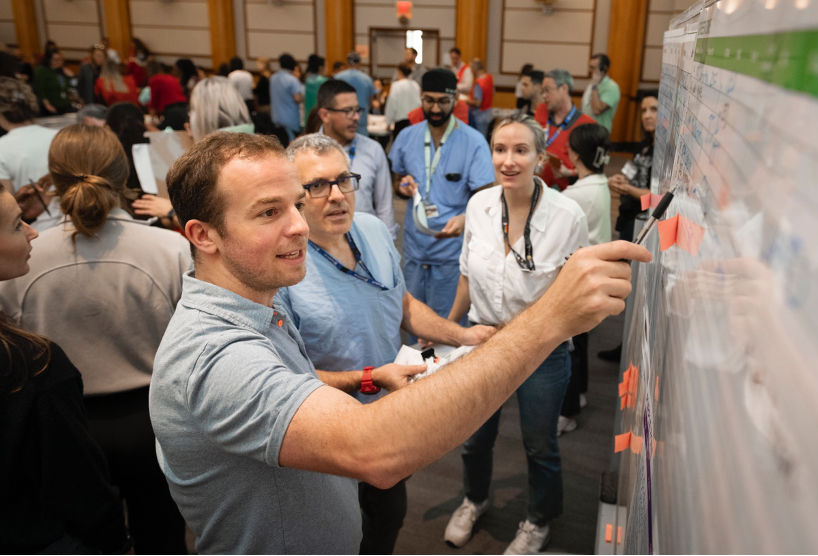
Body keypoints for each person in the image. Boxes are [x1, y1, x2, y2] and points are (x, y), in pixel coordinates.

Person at [149, 128, 650, 554]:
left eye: (297, 204)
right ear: (204, 236)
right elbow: (375, 451)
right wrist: (548, 320)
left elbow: (399, 303)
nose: (302, 223)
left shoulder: (264, 296)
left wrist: (462, 334)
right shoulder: (214, 356)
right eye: (269, 212)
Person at [279, 133, 495, 555]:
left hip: (392, 418)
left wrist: (463, 335)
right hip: (327, 439)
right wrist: (369, 378)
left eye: (344, 180)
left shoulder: (374, 230)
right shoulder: (285, 265)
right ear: (295, 196)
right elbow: (287, 376)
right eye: (318, 185)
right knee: (334, 536)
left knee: (387, 518)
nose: (338, 196)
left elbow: (402, 302)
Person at [0, 124, 191, 554]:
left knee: (93, 539)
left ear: (53, 177)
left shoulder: (22, 256)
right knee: (163, 536)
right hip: (153, 422)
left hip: (63, 428)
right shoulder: (170, 249)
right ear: (124, 175)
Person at [443, 114, 589, 554]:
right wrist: (451, 331)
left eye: (520, 150)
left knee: (539, 444)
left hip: (542, 350)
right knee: (475, 437)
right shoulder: (479, 206)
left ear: (540, 157)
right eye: (500, 150)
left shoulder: (568, 216)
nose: (508, 161)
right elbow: (467, 278)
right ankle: (474, 499)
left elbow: (577, 296)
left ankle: (538, 521)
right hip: (483, 340)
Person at [0, 183, 133, 555]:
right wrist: (117, 543)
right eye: (15, 225)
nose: (32, 231)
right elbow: (76, 487)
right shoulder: (30, 363)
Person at [389, 68, 495, 322]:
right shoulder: (406, 137)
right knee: (414, 321)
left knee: (449, 326)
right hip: (415, 248)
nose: (435, 108)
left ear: (455, 98)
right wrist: (401, 188)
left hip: (452, 254)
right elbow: (397, 181)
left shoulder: (474, 142)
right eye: (429, 100)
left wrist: (465, 218)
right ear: (421, 98)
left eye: (443, 102)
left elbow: (487, 199)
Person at [133, 76, 254, 225]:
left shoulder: (223, 162)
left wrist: (170, 212)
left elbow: (220, 229)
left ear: (200, 116)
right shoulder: (253, 145)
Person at [558, 122, 613, 435]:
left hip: (579, 281)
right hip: (596, 277)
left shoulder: (576, 196)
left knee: (570, 349)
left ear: (574, 154)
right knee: (581, 342)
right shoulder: (599, 182)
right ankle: (578, 395)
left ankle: (566, 413)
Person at [316, 79, 397, 237]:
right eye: (347, 111)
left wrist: (387, 247)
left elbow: (384, 207)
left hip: (366, 241)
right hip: (322, 246)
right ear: (325, 115)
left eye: (357, 110)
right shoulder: (305, 154)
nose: (355, 118)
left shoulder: (373, 150)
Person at [535, 69, 597, 191]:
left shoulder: (586, 124)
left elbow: (594, 170)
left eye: (547, 90)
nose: (543, 96)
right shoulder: (541, 111)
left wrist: (571, 173)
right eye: (542, 91)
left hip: (564, 189)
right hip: (534, 180)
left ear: (564, 89)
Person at [609, 91, 657, 241]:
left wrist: (628, 188)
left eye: (654, 109)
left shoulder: (666, 154)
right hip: (628, 214)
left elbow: (657, 198)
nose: (646, 115)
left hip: (646, 219)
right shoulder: (643, 145)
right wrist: (617, 180)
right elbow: (630, 174)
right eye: (643, 110)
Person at [335, 52, 376, 136]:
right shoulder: (367, 79)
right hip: (361, 119)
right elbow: (370, 103)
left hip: (342, 119)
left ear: (347, 62)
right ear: (359, 62)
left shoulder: (338, 78)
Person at [581, 53, 620, 133]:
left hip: (599, 133)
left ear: (604, 69)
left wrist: (595, 86)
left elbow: (597, 110)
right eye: (590, 67)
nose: (590, 71)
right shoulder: (591, 84)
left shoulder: (612, 87)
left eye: (593, 68)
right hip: (585, 130)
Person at [270, 53, 304, 140]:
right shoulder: (292, 80)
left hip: (276, 119)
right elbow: (297, 98)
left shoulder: (273, 78)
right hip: (290, 120)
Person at [146, 61, 188, 130]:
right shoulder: (172, 77)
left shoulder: (154, 79)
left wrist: (150, 118)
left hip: (172, 111)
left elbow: (154, 102)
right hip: (184, 108)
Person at [383, 63, 421, 136]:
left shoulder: (396, 85)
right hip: (415, 122)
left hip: (401, 123)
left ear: (399, 72)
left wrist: (388, 122)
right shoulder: (416, 85)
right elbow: (420, 104)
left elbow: (391, 105)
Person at [33, 50, 74, 115]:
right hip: (50, 107)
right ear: (49, 60)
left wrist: (72, 77)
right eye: (56, 60)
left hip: (65, 105)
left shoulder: (63, 70)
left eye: (60, 59)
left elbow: (73, 86)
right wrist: (47, 105)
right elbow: (40, 90)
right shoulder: (42, 71)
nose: (59, 62)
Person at [467, 57, 494, 139]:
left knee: (480, 139)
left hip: (480, 116)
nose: (470, 70)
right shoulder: (489, 78)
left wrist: (467, 101)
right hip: (488, 113)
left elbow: (478, 103)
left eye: (471, 68)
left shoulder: (478, 83)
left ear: (475, 68)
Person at [303, 53, 327, 119]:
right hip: (319, 113)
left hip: (308, 113)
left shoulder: (307, 80)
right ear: (320, 67)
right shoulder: (323, 81)